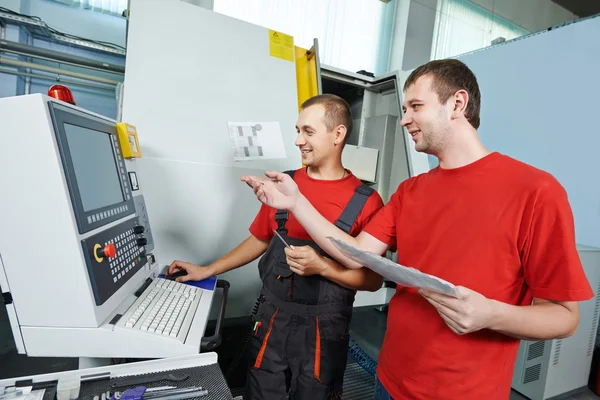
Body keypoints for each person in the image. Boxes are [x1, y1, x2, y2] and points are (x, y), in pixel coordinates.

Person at [241, 59, 594, 400]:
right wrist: (297, 203)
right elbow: (353, 253)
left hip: (466, 394)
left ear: (457, 103)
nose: (404, 120)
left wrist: (492, 314)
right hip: (391, 380)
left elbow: (564, 317)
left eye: (415, 106)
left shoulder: (535, 191)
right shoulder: (410, 192)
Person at [168, 94, 385, 399]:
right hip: (271, 322)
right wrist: (208, 269)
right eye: (297, 130)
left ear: (338, 134)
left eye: (308, 132)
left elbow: (374, 280)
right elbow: (260, 239)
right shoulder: (285, 184)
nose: (298, 141)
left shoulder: (365, 202)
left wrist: (324, 267)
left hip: (323, 333)